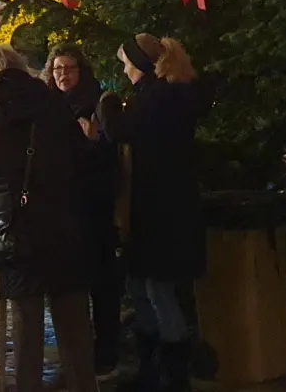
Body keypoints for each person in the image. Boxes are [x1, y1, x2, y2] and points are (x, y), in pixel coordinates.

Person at [0, 45, 99, 392]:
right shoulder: (53, 103)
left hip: (14, 225)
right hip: (62, 220)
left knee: (26, 321)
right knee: (73, 320)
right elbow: (82, 158)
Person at [97, 35, 210, 392]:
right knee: (142, 287)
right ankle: (151, 369)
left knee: (159, 291)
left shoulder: (158, 98)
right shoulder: (162, 94)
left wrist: (109, 107)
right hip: (154, 211)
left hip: (160, 213)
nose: (123, 69)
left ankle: (174, 376)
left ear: (141, 64)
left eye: (126, 63)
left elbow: (122, 131)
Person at [46, 43, 122, 379]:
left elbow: (112, 157)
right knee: (72, 288)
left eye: (69, 68)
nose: (62, 74)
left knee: (102, 286)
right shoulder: (48, 107)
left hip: (94, 208)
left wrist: (92, 142)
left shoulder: (97, 103)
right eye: (57, 68)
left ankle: (106, 352)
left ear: (81, 71)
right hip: (63, 209)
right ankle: (77, 356)